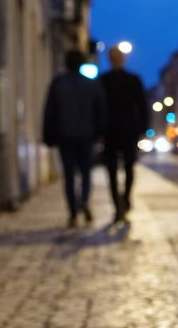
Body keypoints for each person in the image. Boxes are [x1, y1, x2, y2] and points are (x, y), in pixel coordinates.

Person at [42, 49, 106, 227]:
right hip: (86, 135)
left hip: (65, 135)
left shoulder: (58, 84)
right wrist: (99, 133)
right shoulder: (92, 85)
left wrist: (48, 135)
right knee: (85, 172)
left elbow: (50, 111)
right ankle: (84, 200)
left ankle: (72, 211)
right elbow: (101, 110)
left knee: (69, 175)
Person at [99, 46, 149, 223]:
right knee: (116, 170)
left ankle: (124, 200)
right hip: (116, 132)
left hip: (124, 131)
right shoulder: (105, 80)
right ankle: (119, 204)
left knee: (125, 169)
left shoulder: (129, 80)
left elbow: (142, 105)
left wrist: (143, 128)